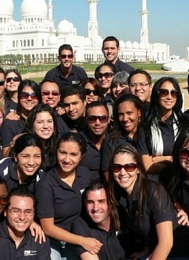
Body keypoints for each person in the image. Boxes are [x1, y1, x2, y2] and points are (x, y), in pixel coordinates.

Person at [108, 144, 189, 259]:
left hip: (181, 251)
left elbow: (166, 243)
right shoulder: (120, 197)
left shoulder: (154, 192)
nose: (122, 172)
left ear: (138, 169)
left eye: (129, 166)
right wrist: (148, 249)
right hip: (157, 249)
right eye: (117, 167)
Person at [35, 132, 101, 260]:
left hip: (82, 234)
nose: (66, 159)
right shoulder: (46, 184)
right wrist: (82, 241)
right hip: (55, 242)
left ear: (81, 156)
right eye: (63, 152)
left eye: (73, 154)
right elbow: (48, 228)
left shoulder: (85, 174)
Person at [0, 186, 51, 260]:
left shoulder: (40, 239)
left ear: (34, 214)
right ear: (5, 211)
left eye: (28, 212)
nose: (22, 217)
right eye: (16, 211)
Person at [71, 179, 126, 260]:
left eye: (101, 201)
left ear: (110, 202)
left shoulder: (124, 216)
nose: (95, 208)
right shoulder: (80, 225)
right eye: (90, 202)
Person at [100, 94, 151, 180]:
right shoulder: (110, 141)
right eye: (121, 114)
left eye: (129, 113)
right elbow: (107, 174)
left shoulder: (150, 134)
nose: (125, 118)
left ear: (139, 113)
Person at [145, 77, 187, 173]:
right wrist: (176, 161)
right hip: (155, 182)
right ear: (156, 95)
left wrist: (161, 159)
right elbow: (147, 166)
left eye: (174, 93)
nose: (169, 97)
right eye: (164, 92)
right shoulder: (146, 125)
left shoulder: (186, 123)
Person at [1, 79, 40, 156]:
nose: (29, 98)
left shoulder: (45, 120)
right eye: (25, 95)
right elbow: (5, 155)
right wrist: (15, 142)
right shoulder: (10, 123)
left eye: (34, 95)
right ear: (19, 97)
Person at [80, 101, 110, 179]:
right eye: (92, 119)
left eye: (102, 118)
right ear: (86, 120)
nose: (97, 123)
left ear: (108, 119)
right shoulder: (77, 142)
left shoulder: (114, 141)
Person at [25, 103, 58, 171]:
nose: (46, 126)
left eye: (49, 121)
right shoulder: (24, 147)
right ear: (32, 124)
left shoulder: (58, 146)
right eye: (40, 122)